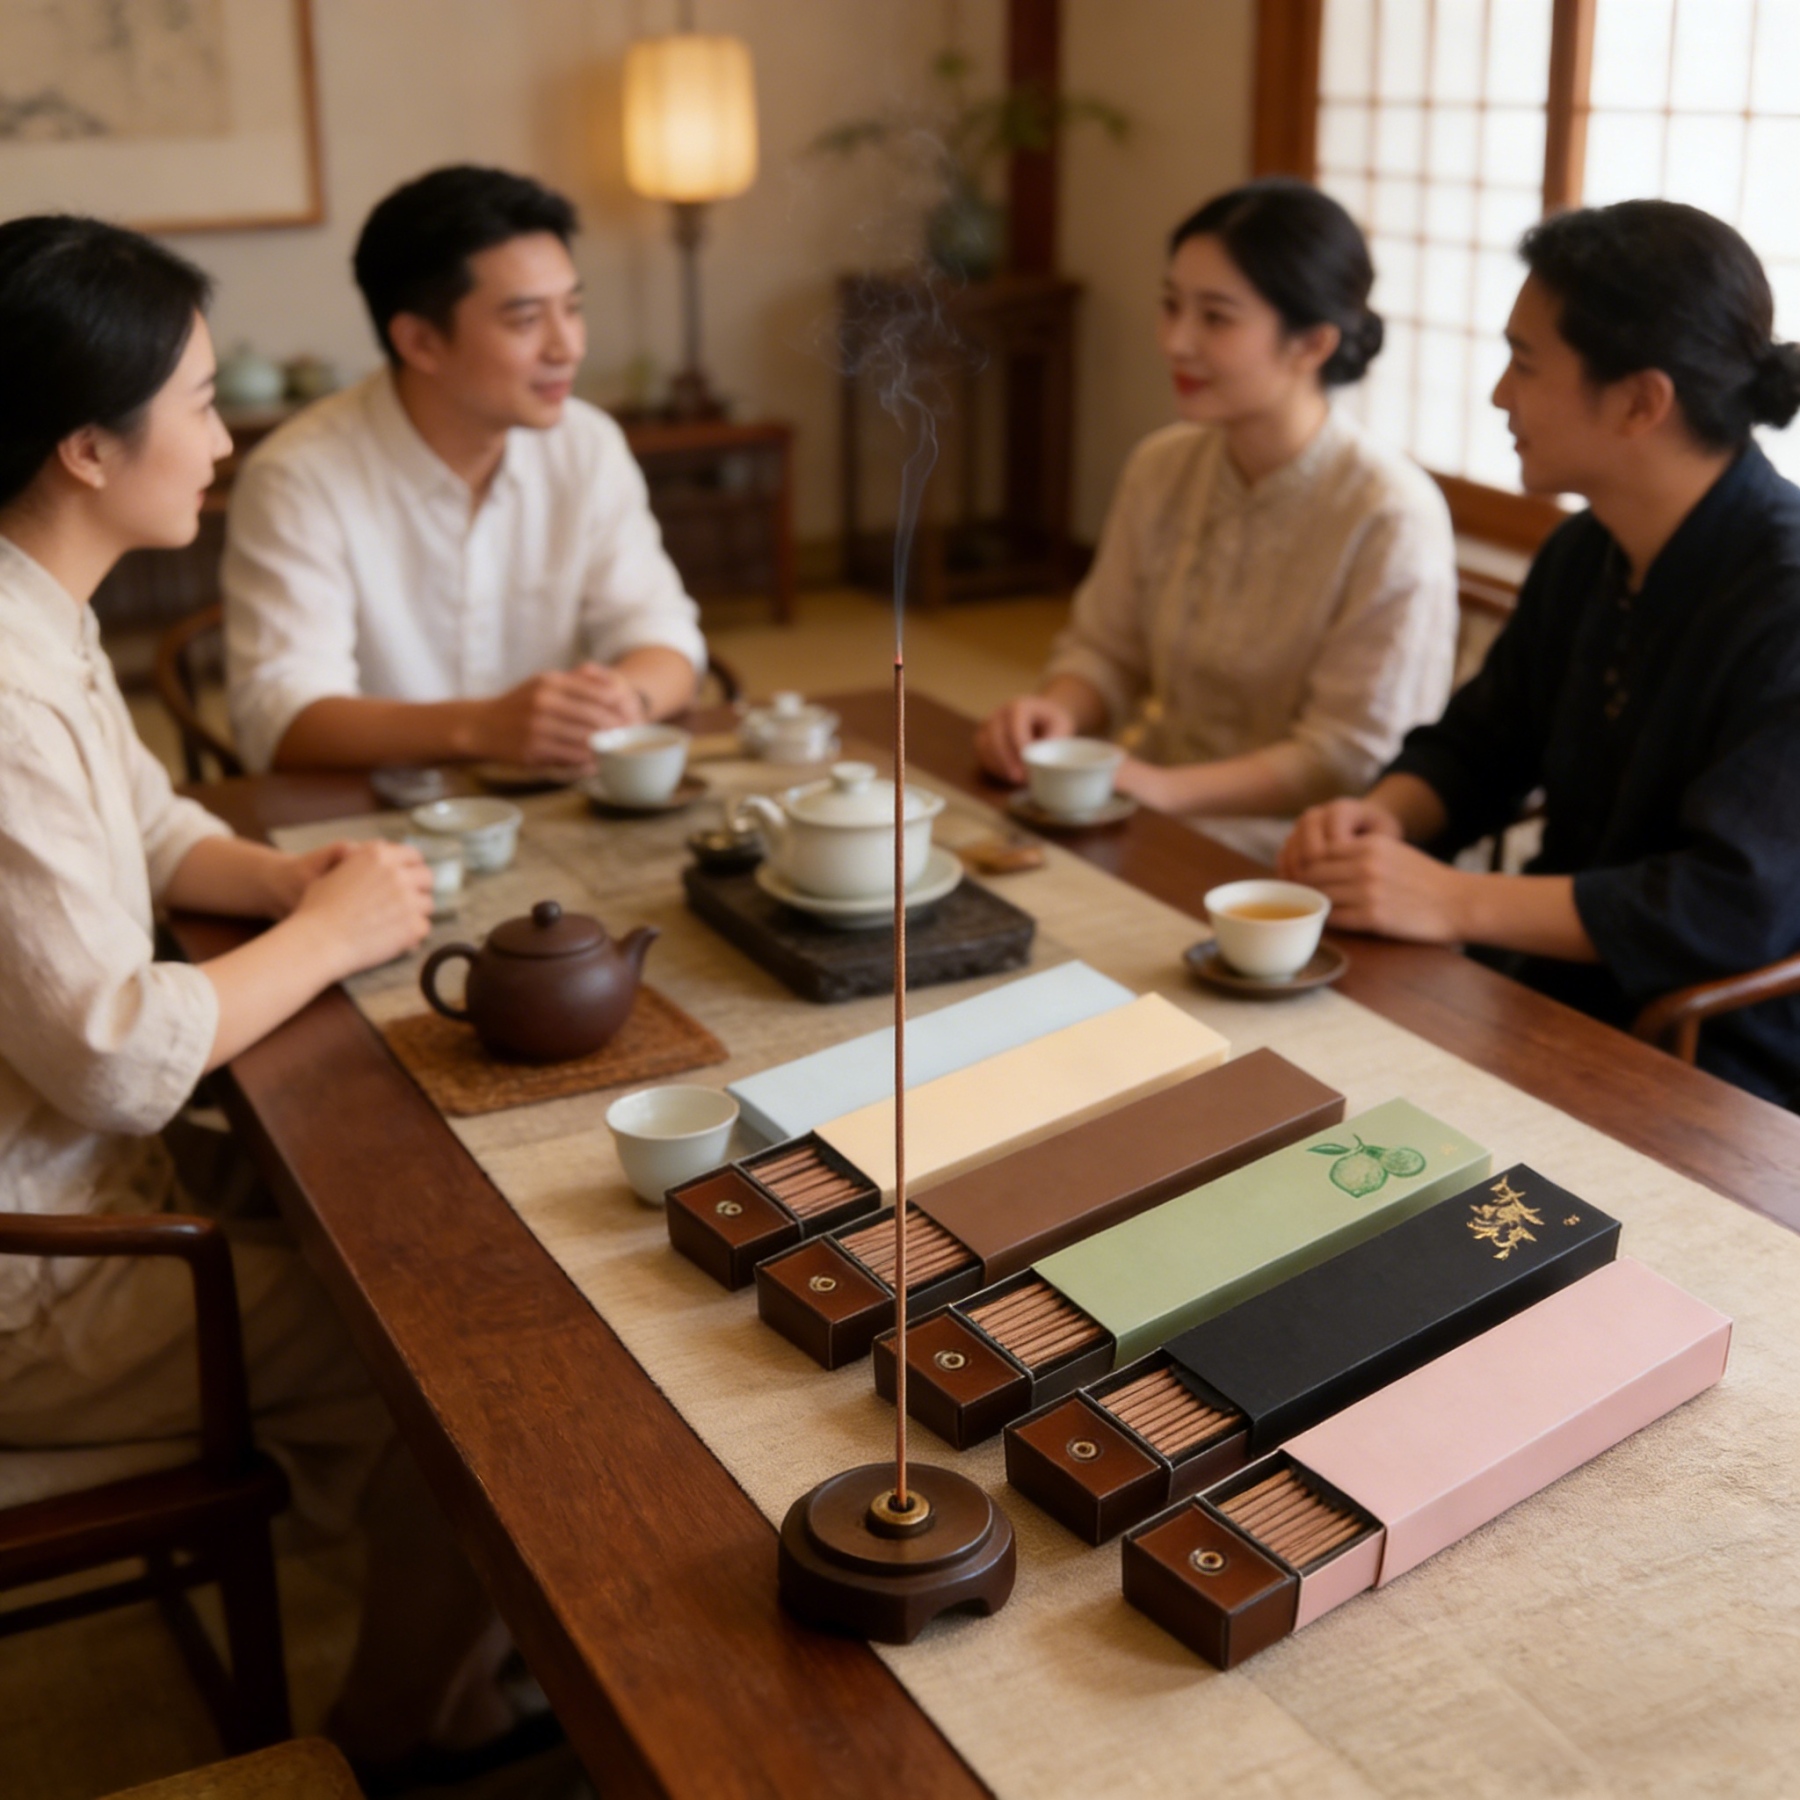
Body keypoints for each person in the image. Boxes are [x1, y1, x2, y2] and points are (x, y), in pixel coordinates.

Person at [0, 214, 525, 1777]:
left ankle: (435, 1616)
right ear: (88, 447)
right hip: (39, 1277)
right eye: (202, 402)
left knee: (414, 1228)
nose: (226, 438)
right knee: (463, 1378)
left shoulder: (39, 607)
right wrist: (333, 938)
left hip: (86, 1188)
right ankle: (397, 1737)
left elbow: (154, 823)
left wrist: (294, 882)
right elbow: (111, 1056)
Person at [1281, 200, 1800, 1110]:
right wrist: (1381, 820)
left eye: (1524, 364)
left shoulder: (1786, 598)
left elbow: (1726, 905)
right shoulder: (1587, 548)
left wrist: (1450, 901)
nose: (1499, 395)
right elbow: (1484, 742)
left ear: (1640, 401)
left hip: (1707, 1052)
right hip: (1546, 987)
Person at [975, 179, 1457, 854]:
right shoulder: (1162, 466)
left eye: (1216, 318)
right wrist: (1055, 712)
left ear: (1312, 344)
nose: (1177, 341)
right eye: (1171, 306)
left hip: (1301, 851)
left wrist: (1163, 790)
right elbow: (1107, 650)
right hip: (1152, 808)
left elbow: (1349, 754)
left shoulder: (1389, 513)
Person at [224, 163, 706, 774]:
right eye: (526, 321)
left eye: (573, 308)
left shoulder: (586, 444)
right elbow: (280, 715)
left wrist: (623, 702)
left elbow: (661, 631)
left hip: (556, 795)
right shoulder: (299, 477)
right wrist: (480, 728)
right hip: (378, 813)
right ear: (420, 342)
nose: (568, 347)